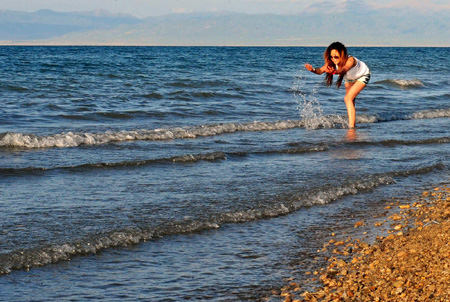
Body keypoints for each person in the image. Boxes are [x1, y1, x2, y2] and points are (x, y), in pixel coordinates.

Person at [304, 42, 370, 129]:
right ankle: (352, 123)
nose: (333, 59)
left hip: (363, 75)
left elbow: (343, 69)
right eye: (331, 56)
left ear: (343, 55)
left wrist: (334, 72)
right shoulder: (331, 62)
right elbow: (320, 70)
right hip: (349, 79)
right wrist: (312, 69)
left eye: (336, 57)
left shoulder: (350, 60)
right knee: (350, 100)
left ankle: (351, 127)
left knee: (347, 98)